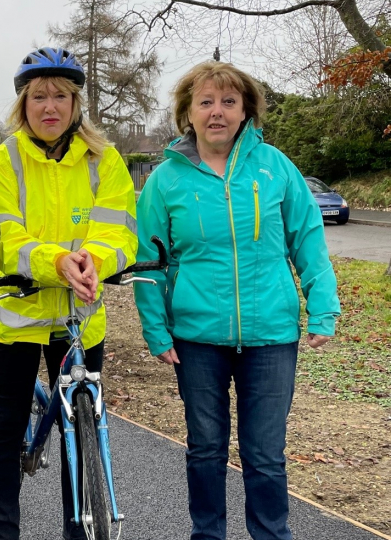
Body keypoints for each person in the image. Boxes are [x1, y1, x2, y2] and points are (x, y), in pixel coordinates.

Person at [133, 61, 341, 540]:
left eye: (228, 101)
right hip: (196, 338)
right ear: (188, 112)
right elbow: (149, 263)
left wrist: (322, 307)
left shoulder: (275, 167)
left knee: (265, 453)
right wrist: (155, 328)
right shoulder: (166, 181)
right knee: (205, 448)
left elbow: (307, 239)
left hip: (271, 335)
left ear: (245, 109)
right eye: (205, 102)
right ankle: (208, 535)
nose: (217, 112)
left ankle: (272, 534)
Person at [0, 47, 138, 540]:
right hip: (13, 321)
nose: (50, 106)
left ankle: (79, 530)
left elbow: (120, 231)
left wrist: (95, 260)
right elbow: (1, 237)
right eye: (39, 96)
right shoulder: (0, 162)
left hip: (80, 320)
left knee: (79, 433)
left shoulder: (104, 161)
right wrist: (57, 263)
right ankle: (4, 531)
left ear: (76, 105)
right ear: (23, 104)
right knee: (4, 434)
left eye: (61, 96)